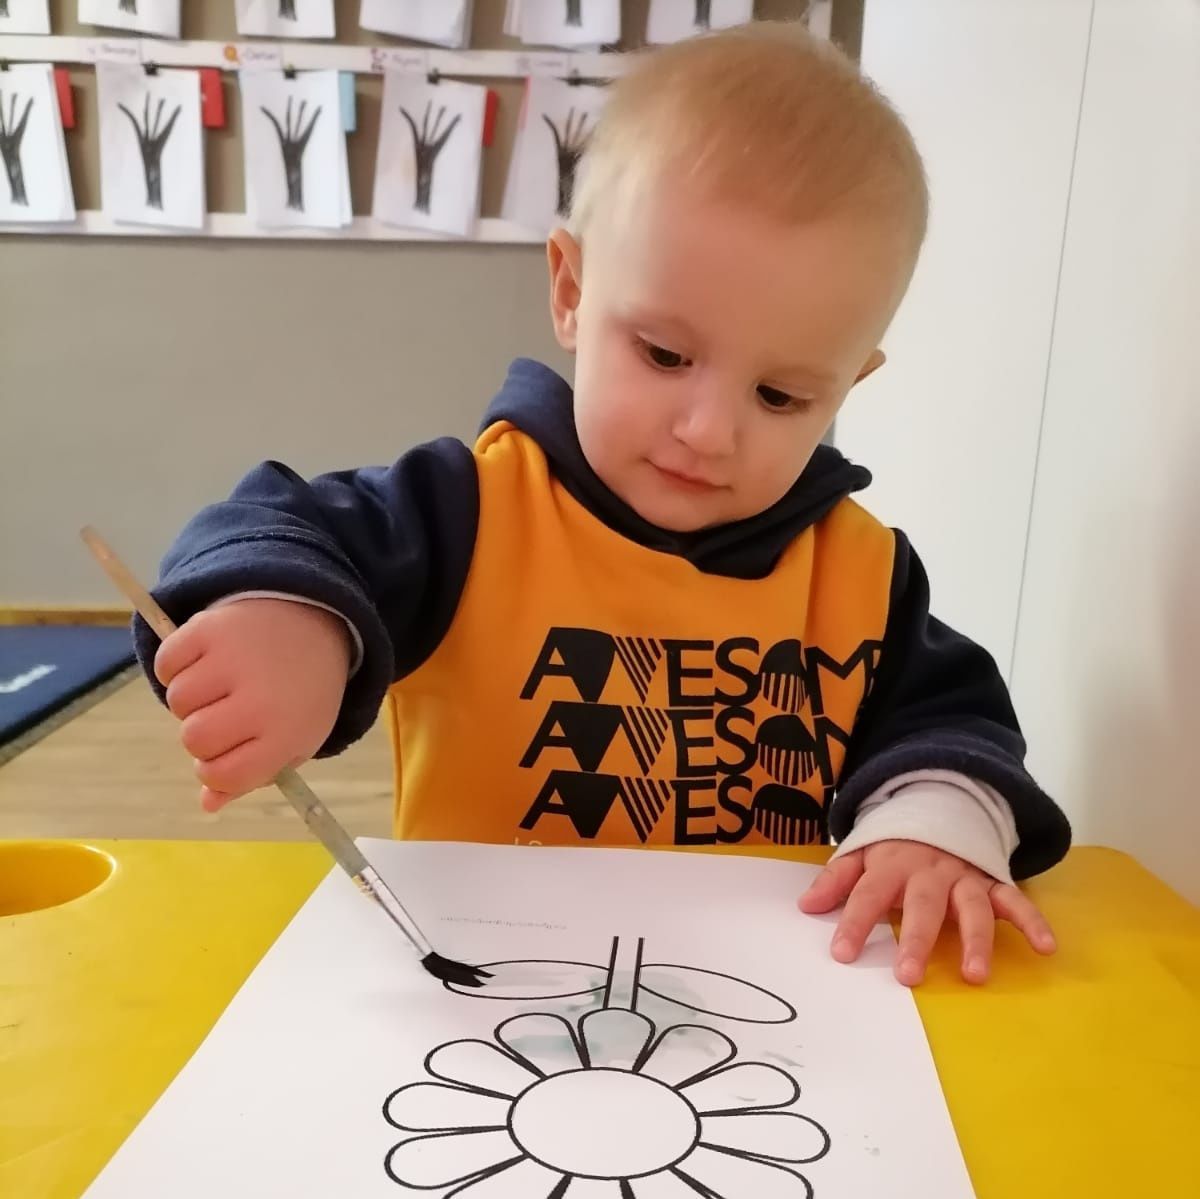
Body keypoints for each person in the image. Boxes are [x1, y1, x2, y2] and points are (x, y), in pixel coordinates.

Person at [135, 23, 1070, 987]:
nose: (709, 431)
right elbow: (278, 526)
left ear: (849, 384)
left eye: (781, 396)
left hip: (759, 997)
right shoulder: (470, 512)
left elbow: (953, 723)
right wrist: (294, 624)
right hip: (487, 979)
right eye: (665, 354)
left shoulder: (860, 572)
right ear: (572, 291)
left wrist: (932, 825)